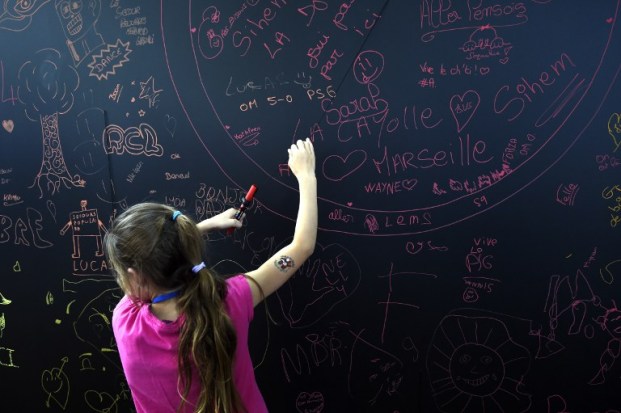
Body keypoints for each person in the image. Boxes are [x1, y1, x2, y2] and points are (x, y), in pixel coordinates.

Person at [105, 139, 317, 413]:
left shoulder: (126, 323)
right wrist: (306, 176)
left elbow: (145, 267)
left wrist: (198, 229)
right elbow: (301, 246)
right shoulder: (232, 299)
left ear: (134, 276)